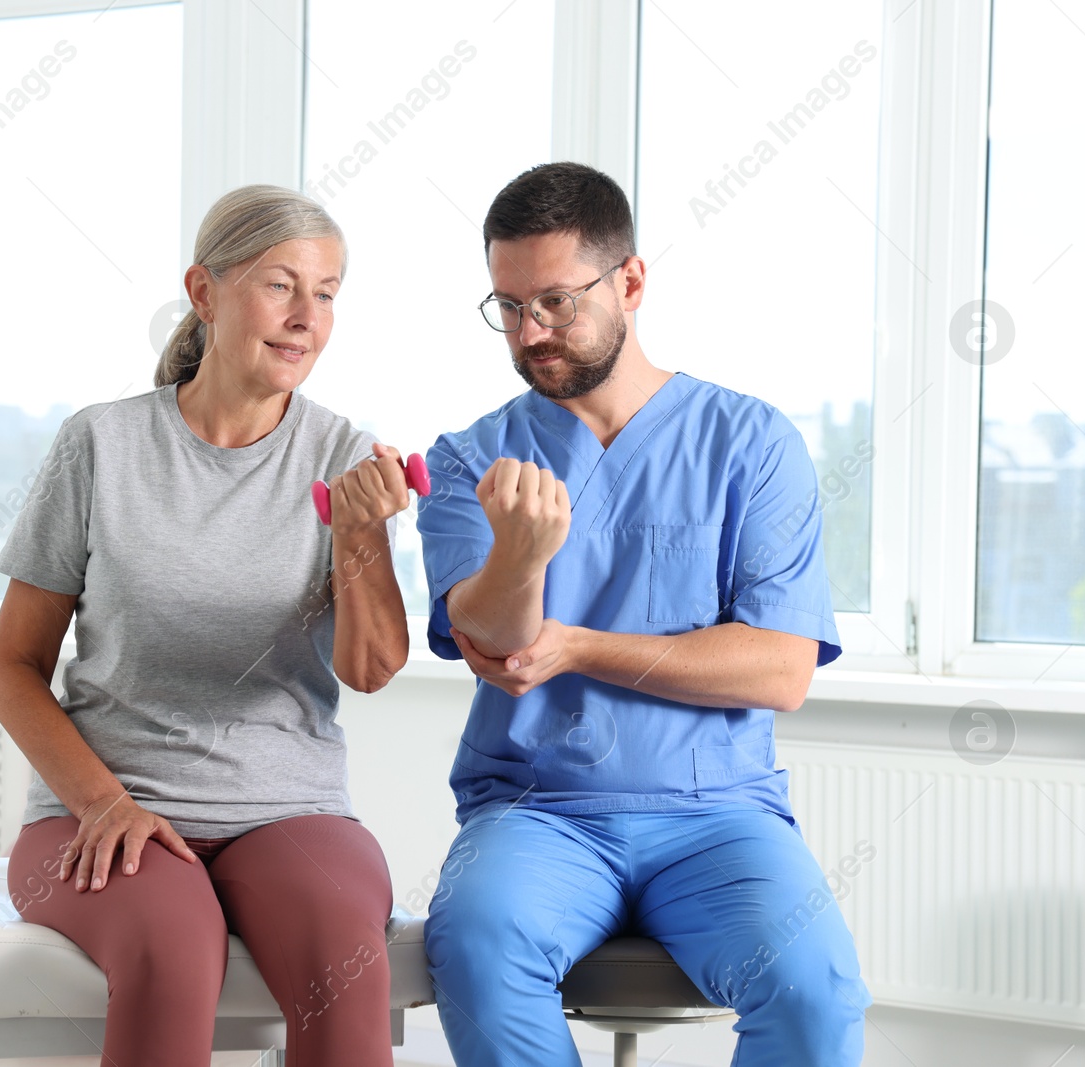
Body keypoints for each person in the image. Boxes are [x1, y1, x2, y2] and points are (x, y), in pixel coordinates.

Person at [416, 161, 873, 1067]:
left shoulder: (751, 443)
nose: (529, 331)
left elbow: (779, 670)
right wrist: (519, 554)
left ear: (629, 280)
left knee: (816, 988)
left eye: (554, 300)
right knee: (474, 943)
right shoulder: (471, 459)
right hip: (536, 811)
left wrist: (579, 645)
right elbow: (498, 649)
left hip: (719, 815)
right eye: (506, 306)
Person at [0, 185, 410, 1067]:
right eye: (280, 285)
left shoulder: (343, 458)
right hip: (105, 804)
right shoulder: (100, 444)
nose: (305, 318)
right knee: (176, 950)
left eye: (327, 292)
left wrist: (361, 534)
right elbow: (14, 666)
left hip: (288, 807)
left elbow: (369, 670)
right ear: (205, 291)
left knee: (347, 951)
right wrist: (104, 801)